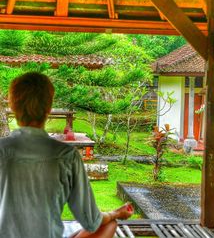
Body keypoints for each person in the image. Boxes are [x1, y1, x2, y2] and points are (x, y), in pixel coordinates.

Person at [0, 72, 133, 238]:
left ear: (12, 106)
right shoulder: (66, 155)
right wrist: (115, 214)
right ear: (49, 107)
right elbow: (92, 220)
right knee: (110, 224)